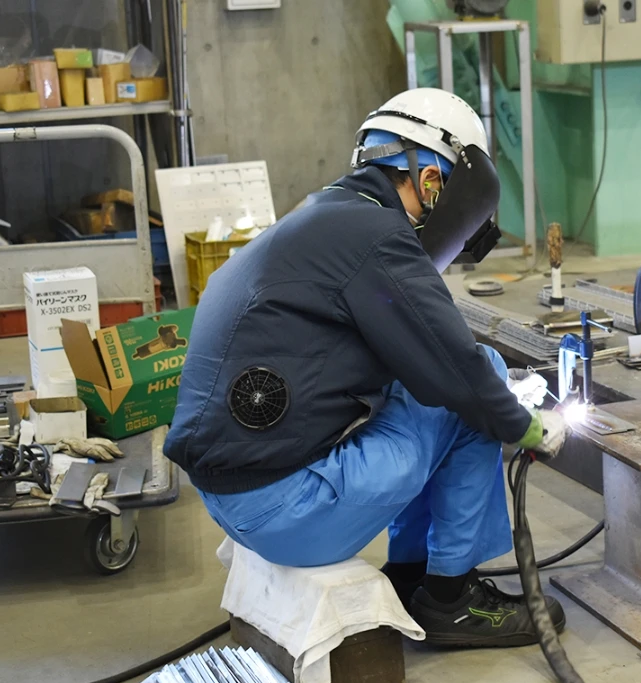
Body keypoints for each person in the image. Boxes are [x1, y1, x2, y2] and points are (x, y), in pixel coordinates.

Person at [164, 88, 569, 648]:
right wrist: (531, 426)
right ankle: (452, 599)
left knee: (423, 383)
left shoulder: (322, 215)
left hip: (230, 499)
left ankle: (409, 576)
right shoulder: (376, 237)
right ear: (432, 180)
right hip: (287, 512)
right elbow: (462, 370)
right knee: (482, 382)